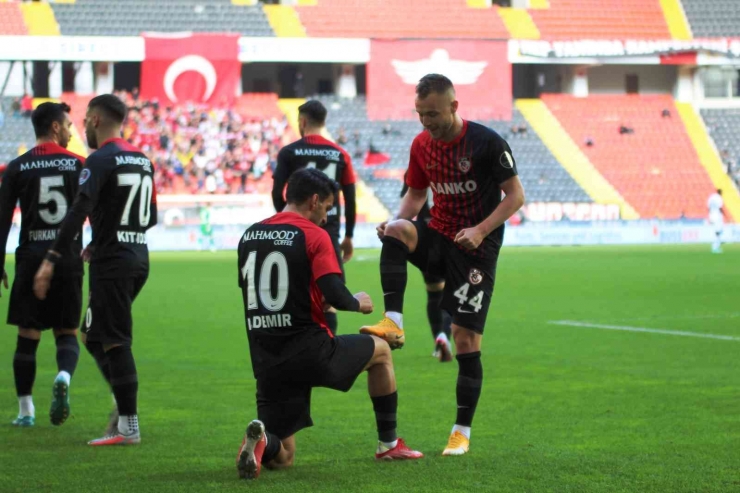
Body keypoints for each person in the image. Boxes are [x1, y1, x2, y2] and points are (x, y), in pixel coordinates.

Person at [360, 74, 525, 456]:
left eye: (432, 113)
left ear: (454, 106)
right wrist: (394, 219)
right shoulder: (421, 144)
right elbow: (417, 193)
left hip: (475, 251)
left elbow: (515, 196)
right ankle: (394, 322)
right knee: (398, 230)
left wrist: (482, 230)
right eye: (420, 114)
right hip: (439, 235)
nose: (426, 122)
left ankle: (461, 431)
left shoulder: (486, 142)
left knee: (465, 340)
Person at [236, 168, 422, 480]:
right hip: (310, 349)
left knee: (283, 459)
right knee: (381, 350)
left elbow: (260, 294)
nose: (326, 218)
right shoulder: (314, 235)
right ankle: (388, 445)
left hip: (266, 357)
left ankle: (261, 442)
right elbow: (335, 290)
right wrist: (356, 302)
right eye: (327, 208)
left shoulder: (250, 235)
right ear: (314, 201)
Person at [33, 94, 158, 445]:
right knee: (92, 335)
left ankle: (127, 424)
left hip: (113, 263)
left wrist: (51, 258)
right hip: (137, 256)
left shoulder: (100, 159)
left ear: (98, 120)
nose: (83, 126)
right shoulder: (143, 160)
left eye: (86, 119)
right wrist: (104, 239)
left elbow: (77, 211)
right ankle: (122, 404)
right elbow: (151, 217)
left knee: (115, 339)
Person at [0, 102, 85, 427]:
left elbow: (3, 220)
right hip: (67, 258)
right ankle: (63, 375)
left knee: (28, 334)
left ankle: (25, 411)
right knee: (67, 332)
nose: (69, 131)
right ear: (53, 127)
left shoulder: (18, 167)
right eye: (66, 126)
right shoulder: (79, 164)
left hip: (31, 257)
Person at [271, 100, 356, 335]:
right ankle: (327, 350)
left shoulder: (289, 152)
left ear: (303, 121)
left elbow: (277, 193)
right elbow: (349, 198)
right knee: (329, 299)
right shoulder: (340, 155)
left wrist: (285, 219)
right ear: (323, 122)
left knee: (295, 292)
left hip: (295, 233)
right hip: (328, 233)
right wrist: (348, 236)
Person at [400, 174, 452, 362]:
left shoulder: (416, 167)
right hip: (448, 235)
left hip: (425, 238)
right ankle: (444, 336)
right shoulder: (449, 164)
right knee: (452, 292)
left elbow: (407, 198)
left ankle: (438, 342)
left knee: (434, 292)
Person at [708, 189, 724, 254]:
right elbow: (720, 207)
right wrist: (724, 214)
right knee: (718, 231)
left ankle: (715, 246)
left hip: (711, 215)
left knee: (714, 231)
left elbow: (708, 207)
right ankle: (715, 247)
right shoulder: (719, 198)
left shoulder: (711, 197)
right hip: (717, 216)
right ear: (720, 193)